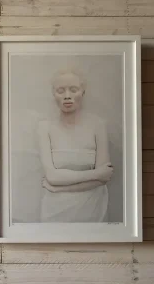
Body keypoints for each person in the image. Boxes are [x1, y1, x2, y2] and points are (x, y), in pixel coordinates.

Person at [37, 69, 113, 223]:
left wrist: (60, 187)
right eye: (60, 90)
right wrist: (96, 173)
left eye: (73, 90)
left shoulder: (98, 125)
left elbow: (103, 180)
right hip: (54, 209)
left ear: (82, 92)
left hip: (92, 207)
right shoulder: (44, 127)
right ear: (53, 94)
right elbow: (52, 176)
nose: (67, 96)